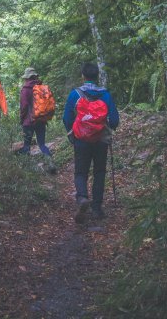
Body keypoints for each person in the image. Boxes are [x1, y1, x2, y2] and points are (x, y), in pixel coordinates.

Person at [63, 62, 119, 223]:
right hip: (101, 140)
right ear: (96, 76)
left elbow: (66, 118)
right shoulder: (106, 95)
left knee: (81, 172)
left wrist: (72, 134)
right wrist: (106, 128)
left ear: (83, 76)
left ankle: (82, 198)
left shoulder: (75, 94)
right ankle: (97, 208)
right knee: (99, 172)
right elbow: (114, 120)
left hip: (81, 139)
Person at [18, 67, 56, 173]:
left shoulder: (25, 89)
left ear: (27, 77)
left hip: (28, 121)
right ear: (35, 76)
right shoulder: (41, 87)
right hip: (41, 120)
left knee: (27, 145)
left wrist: (21, 119)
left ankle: (27, 171)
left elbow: (24, 106)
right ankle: (50, 164)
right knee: (42, 144)